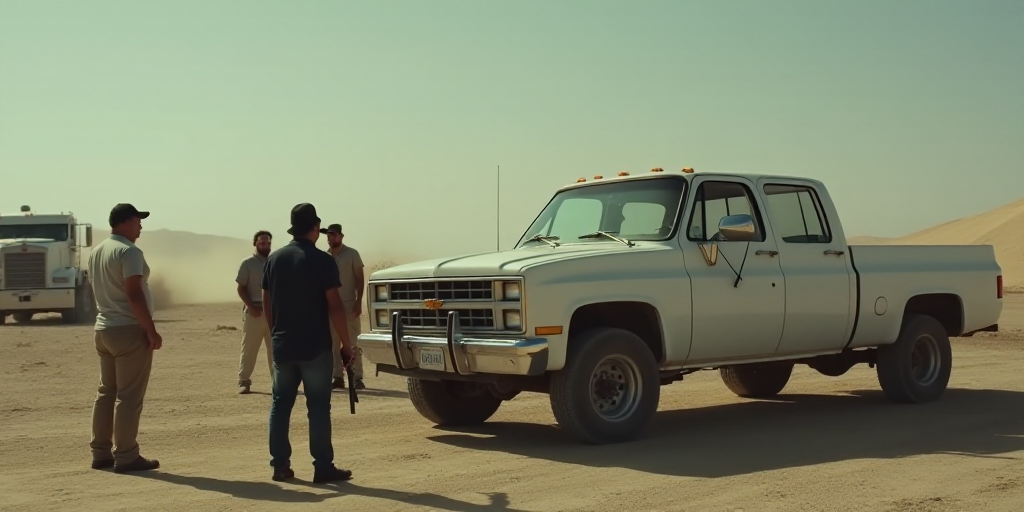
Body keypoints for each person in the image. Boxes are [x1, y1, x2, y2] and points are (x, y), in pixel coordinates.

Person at [261, 203, 356, 483]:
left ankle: (280, 465)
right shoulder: (322, 261)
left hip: (283, 344)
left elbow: (267, 301)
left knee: (280, 405)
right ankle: (323, 467)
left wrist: (276, 330)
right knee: (317, 407)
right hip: (315, 346)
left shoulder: (274, 259)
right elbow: (335, 306)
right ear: (315, 228)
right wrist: (347, 344)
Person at [87, 203, 162, 473]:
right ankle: (127, 455)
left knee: (106, 392)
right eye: (137, 220)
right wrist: (150, 329)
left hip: (104, 328)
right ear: (125, 221)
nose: (141, 226)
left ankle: (101, 452)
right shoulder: (129, 252)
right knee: (129, 397)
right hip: (128, 329)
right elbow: (134, 293)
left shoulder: (97, 251)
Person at [323, 223, 366, 390]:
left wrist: (358, 301)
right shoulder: (325, 256)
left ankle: (357, 376)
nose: (330, 238)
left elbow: (360, 279)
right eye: (328, 235)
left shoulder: (352, 254)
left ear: (341, 236)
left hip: (349, 304)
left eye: (333, 235)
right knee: (333, 342)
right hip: (331, 306)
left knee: (353, 341)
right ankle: (337, 376)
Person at [235, 230, 274, 394]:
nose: (266, 245)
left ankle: (278, 382)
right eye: (262, 242)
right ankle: (244, 380)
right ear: (256, 244)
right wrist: (251, 307)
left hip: (273, 313)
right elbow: (241, 288)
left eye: (268, 242)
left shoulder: (275, 261)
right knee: (249, 348)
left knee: (276, 349)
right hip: (254, 312)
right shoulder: (248, 263)